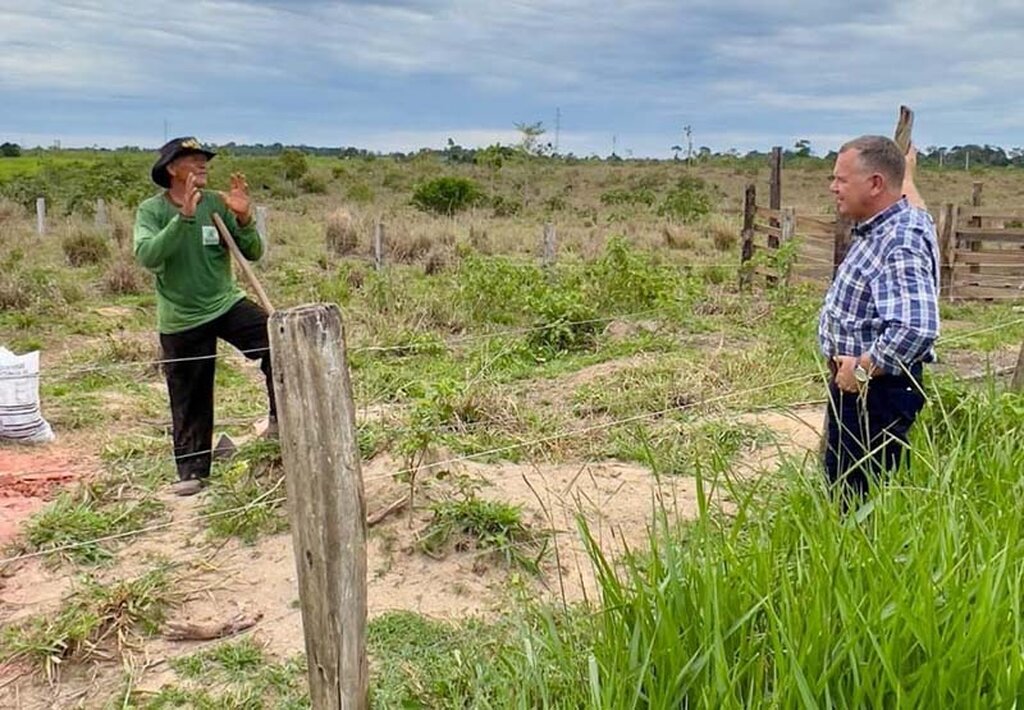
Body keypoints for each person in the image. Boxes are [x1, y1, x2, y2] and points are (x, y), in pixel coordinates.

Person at [134, 137, 276, 496]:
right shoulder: (151, 211)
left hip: (225, 302)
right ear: (171, 168)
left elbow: (253, 251)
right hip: (181, 316)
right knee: (189, 395)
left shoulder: (216, 202)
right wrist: (183, 220)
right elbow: (148, 256)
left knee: (280, 342)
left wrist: (244, 217)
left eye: (204, 159)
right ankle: (193, 472)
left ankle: (280, 421)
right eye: (193, 160)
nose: (203, 165)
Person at [819, 135, 939, 499]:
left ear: (875, 184)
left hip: (875, 393)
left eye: (842, 179)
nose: (833, 187)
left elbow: (916, 328)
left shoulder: (899, 240)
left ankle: (855, 556)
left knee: (856, 499)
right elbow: (917, 206)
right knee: (847, 487)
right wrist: (908, 177)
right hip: (861, 386)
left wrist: (861, 369)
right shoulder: (895, 222)